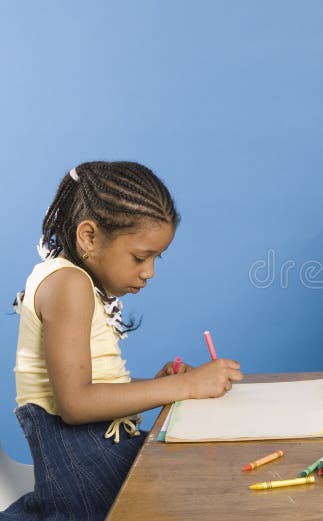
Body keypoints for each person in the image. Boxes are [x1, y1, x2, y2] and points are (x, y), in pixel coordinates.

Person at [2, 162, 243, 521]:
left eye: (155, 258)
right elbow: (76, 404)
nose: (149, 272)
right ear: (89, 236)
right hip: (84, 474)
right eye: (140, 257)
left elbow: (91, 389)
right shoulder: (69, 285)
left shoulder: (68, 281)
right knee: (210, 486)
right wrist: (185, 386)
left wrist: (161, 386)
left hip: (95, 454)